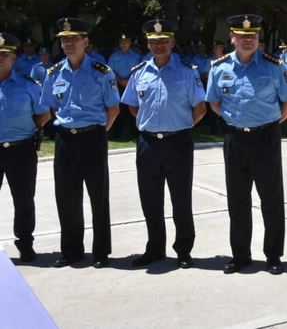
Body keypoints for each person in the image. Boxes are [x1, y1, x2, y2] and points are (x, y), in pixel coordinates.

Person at [206, 14, 287, 275]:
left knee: (271, 199)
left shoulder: (274, 65)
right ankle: (241, 255)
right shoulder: (219, 68)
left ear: (258, 39)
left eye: (253, 36)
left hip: (266, 138)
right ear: (232, 38)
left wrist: (271, 123)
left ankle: (273, 256)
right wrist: (234, 121)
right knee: (237, 200)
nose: (248, 40)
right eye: (243, 36)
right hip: (235, 139)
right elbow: (214, 103)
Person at [121, 19, 206, 269]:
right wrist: (153, 125)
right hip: (148, 144)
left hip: (178, 142)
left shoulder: (187, 71)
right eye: (153, 41)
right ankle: (155, 248)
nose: (158, 45)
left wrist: (178, 125)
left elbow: (199, 109)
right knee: (151, 200)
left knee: (181, 200)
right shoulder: (139, 72)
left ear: (173, 42)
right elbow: (133, 106)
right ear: (147, 43)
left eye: (163, 40)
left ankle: (183, 250)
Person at [39, 17, 120, 269]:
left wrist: (96, 132)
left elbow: (114, 109)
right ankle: (71, 251)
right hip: (65, 139)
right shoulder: (53, 73)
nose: (68, 43)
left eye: (74, 38)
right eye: (64, 39)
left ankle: (100, 252)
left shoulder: (101, 72)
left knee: (99, 196)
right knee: (66, 197)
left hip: (93, 138)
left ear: (86, 41)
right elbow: (52, 105)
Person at [0, 33, 50, 263]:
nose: (0, 58)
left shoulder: (28, 85)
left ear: (14, 57)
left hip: (21, 150)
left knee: (23, 200)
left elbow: (44, 113)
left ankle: (25, 243)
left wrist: (30, 129)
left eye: (4, 54)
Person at [107, 34, 143, 139]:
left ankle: (135, 134)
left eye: (126, 42)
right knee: (119, 110)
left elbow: (139, 70)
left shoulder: (137, 56)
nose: (124, 44)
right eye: (122, 42)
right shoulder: (114, 56)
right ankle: (117, 135)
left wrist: (129, 80)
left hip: (132, 85)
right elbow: (110, 70)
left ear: (130, 43)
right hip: (118, 85)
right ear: (119, 43)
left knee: (133, 108)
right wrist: (120, 80)